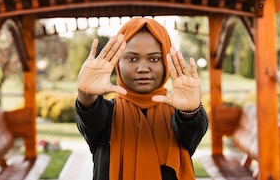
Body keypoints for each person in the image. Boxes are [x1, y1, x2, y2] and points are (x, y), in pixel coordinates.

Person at [75, 17, 208, 180]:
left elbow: (192, 132)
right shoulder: (107, 115)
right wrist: (85, 95)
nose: (143, 68)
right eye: (132, 58)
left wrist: (190, 111)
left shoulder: (180, 114)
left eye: (154, 59)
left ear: (166, 62)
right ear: (118, 62)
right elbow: (89, 116)